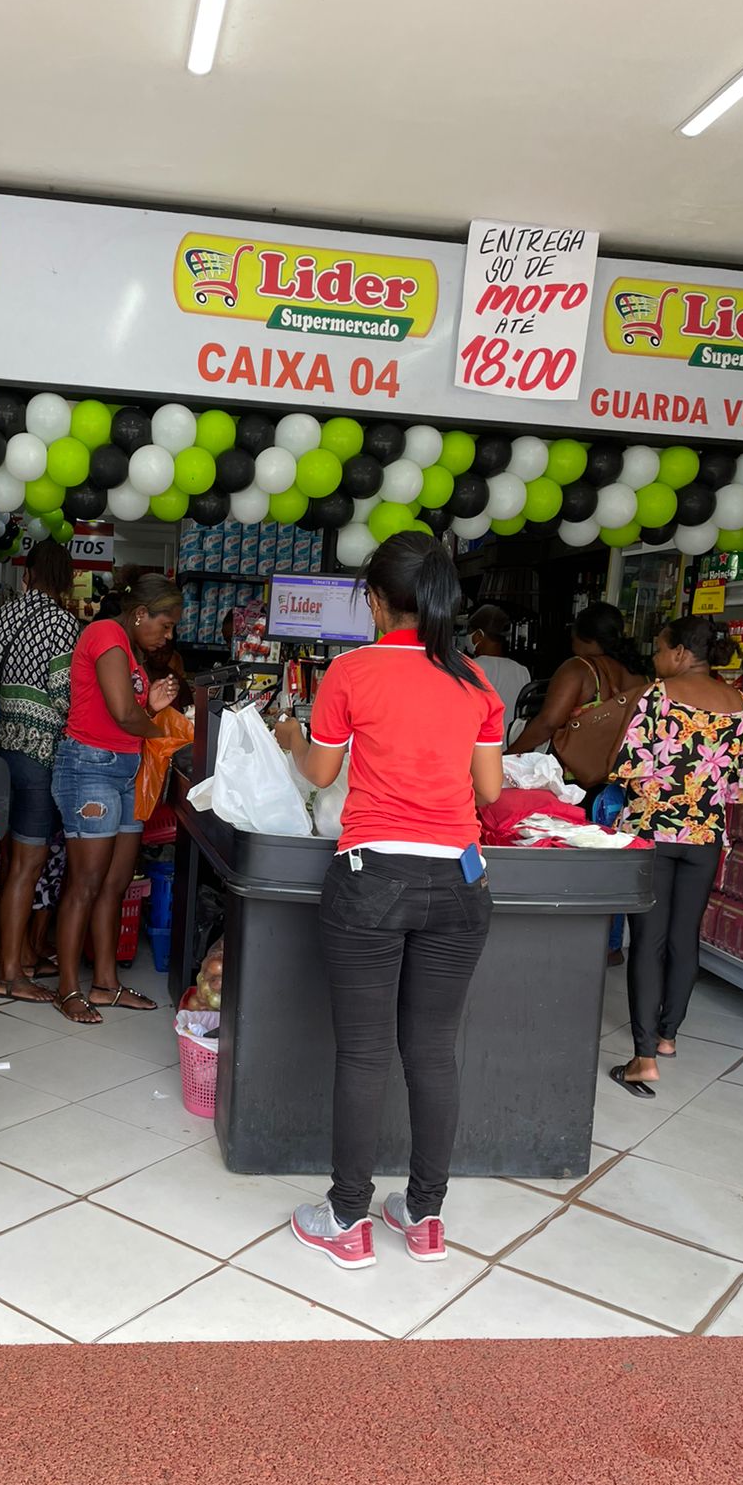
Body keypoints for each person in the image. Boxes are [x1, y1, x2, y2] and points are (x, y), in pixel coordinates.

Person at [275, 533, 504, 1270]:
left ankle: (346, 1218)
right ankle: (426, 1215)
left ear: (374, 600)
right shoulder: (476, 683)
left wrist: (288, 735)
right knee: (434, 1051)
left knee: (366, 1052)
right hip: (461, 884)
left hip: (373, 877)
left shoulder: (351, 671)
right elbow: (491, 791)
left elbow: (319, 772)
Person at [609, 616, 743, 1095]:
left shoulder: (657, 696)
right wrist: (705, 793)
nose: (655, 658)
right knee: (684, 938)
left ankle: (641, 1059)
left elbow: (629, 770)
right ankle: (667, 1037)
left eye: (659, 649)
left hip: (654, 835)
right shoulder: (741, 705)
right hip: (704, 840)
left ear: (680, 653)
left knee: (648, 941)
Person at [52, 568, 182, 1023]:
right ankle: (68, 988)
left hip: (124, 771)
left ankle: (105, 984)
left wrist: (155, 712)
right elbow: (124, 714)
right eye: (164, 626)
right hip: (90, 768)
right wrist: (163, 731)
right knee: (85, 884)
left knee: (116, 884)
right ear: (140, 613)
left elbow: (130, 714)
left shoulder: (128, 650)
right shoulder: (106, 633)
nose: (167, 637)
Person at [0, 541, 81, 1002]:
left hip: (1, 748)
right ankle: (9, 973)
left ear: (29, 574)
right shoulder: (63, 624)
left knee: (10, 859)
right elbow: (64, 694)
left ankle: (17, 957)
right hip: (41, 752)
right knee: (29, 863)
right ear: (64, 579)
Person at [510, 602, 646, 796]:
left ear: (583, 636)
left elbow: (548, 723)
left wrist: (508, 757)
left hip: (576, 784)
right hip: (622, 781)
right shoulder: (639, 675)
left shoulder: (578, 668)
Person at [467, 604, 530, 733]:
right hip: (510, 747)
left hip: (480, 747)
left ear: (479, 635)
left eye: (469, 632)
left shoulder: (469, 668)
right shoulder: (522, 671)